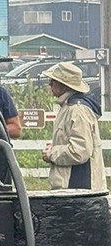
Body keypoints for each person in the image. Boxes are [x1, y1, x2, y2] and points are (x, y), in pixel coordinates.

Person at [41, 61, 106, 190]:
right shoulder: (69, 107)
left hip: (78, 186)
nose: (50, 84)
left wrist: (51, 153)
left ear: (63, 85)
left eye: (53, 81)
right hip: (74, 185)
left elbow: (80, 151)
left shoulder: (77, 110)